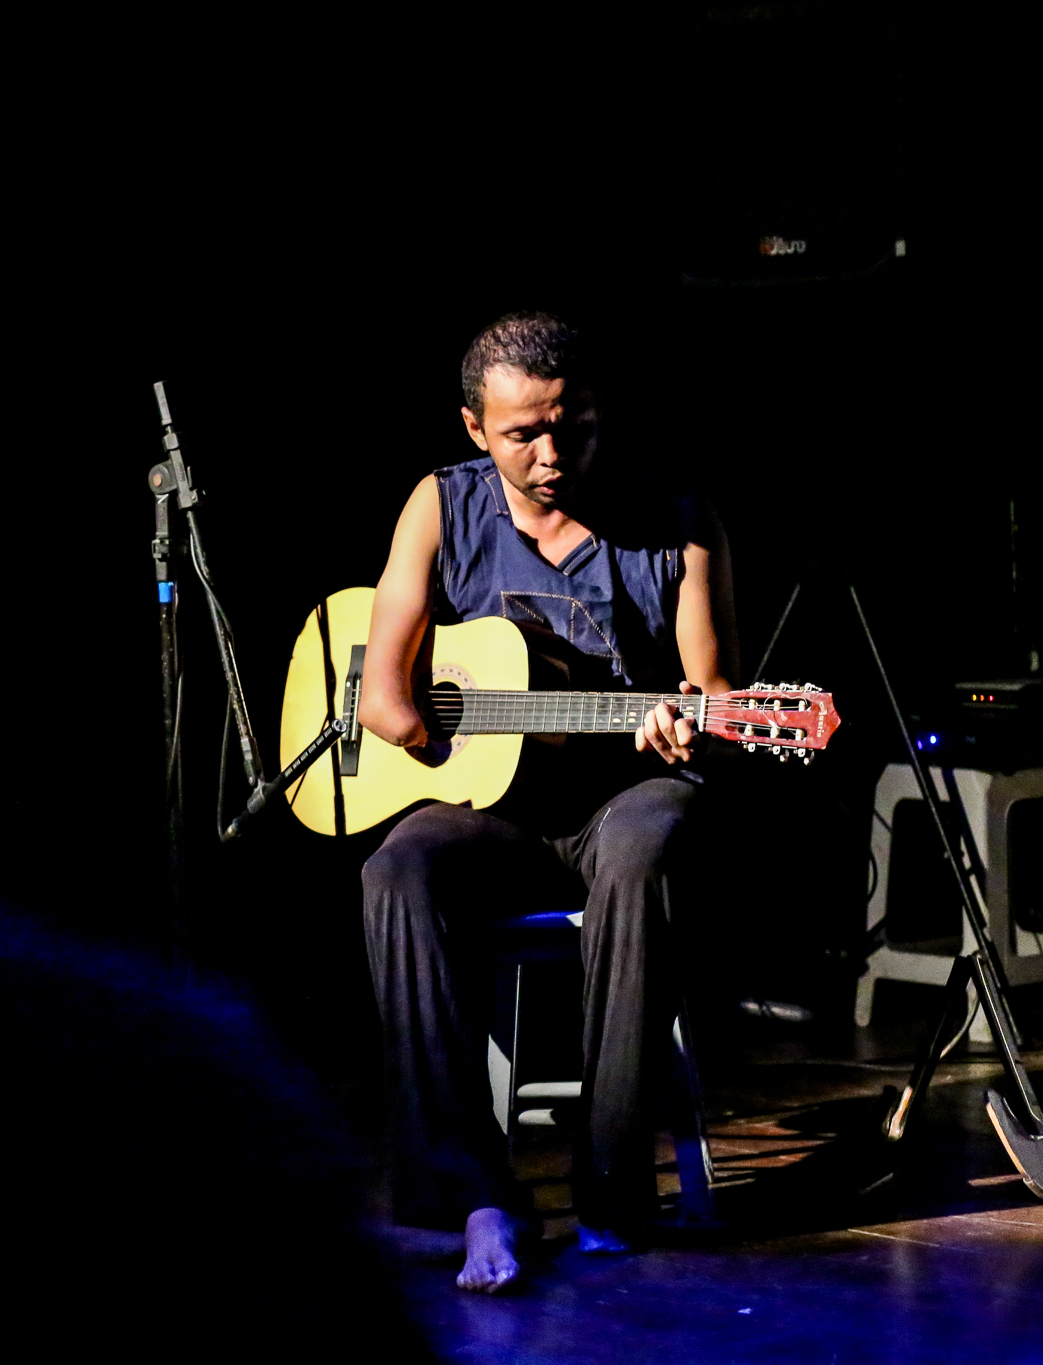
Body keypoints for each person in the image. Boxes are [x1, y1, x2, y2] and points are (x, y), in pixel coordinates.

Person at [354, 311, 736, 1293]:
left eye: (573, 428)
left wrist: (690, 722)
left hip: (626, 790)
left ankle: (610, 1189)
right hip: (492, 803)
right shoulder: (441, 505)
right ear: (475, 428)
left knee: (645, 851)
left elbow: (714, 690)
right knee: (396, 869)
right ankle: (473, 1195)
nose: (552, 455)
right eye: (522, 434)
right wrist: (428, 723)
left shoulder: (676, 518)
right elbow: (382, 693)